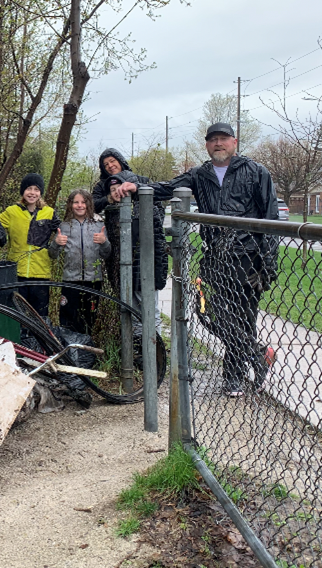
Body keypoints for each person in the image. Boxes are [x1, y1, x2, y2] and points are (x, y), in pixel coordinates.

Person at [116, 123, 279, 396]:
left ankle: (234, 378)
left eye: (223, 139)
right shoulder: (199, 174)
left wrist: (267, 268)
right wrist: (136, 186)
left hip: (247, 259)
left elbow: (271, 219)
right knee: (208, 313)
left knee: (244, 319)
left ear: (234, 142)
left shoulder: (256, 172)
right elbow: (167, 188)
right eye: (213, 140)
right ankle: (258, 353)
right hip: (214, 258)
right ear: (206, 145)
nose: (218, 144)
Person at [103, 173, 168, 327]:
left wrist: (157, 271)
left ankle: (154, 348)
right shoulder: (111, 214)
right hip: (124, 273)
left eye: (119, 187)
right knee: (131, 312)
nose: (116, 191)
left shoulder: (145, 209)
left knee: (150, 312)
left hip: (144, 270)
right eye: (112, 189)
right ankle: (138, 348)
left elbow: (158, 244)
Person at [48, 189, 111, 335]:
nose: (80, 205)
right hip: (70, 281)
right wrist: (56, 243)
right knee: (68, 319)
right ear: (70, 204)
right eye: (76, 202)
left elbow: (106, 254)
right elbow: (52, 255)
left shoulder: (98, 225)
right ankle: (69, 352)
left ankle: (86, 351)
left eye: (83, 202)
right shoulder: (64, 226)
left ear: (89, 204)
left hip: (93, 281)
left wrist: (104, 242)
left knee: (89, 319)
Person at [0, 174, 57, 316]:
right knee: (18, 315)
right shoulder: (12, 212)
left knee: (40, 317)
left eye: (36, 189)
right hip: (17, 272)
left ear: (40, 193)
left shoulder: (50, 212)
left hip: (41, 273)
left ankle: (38, 339)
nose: (32, 193)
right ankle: (18, 339)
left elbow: (64, 231)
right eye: (28, 189)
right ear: (22, 191)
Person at [92, 148, 132, 213]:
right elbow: (92, 205)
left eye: (112, 161)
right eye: (106, 164)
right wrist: (109, 199)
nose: (110, 165)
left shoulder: (136, 179)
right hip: (110, 220)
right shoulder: (100, 186)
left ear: (120, 161)